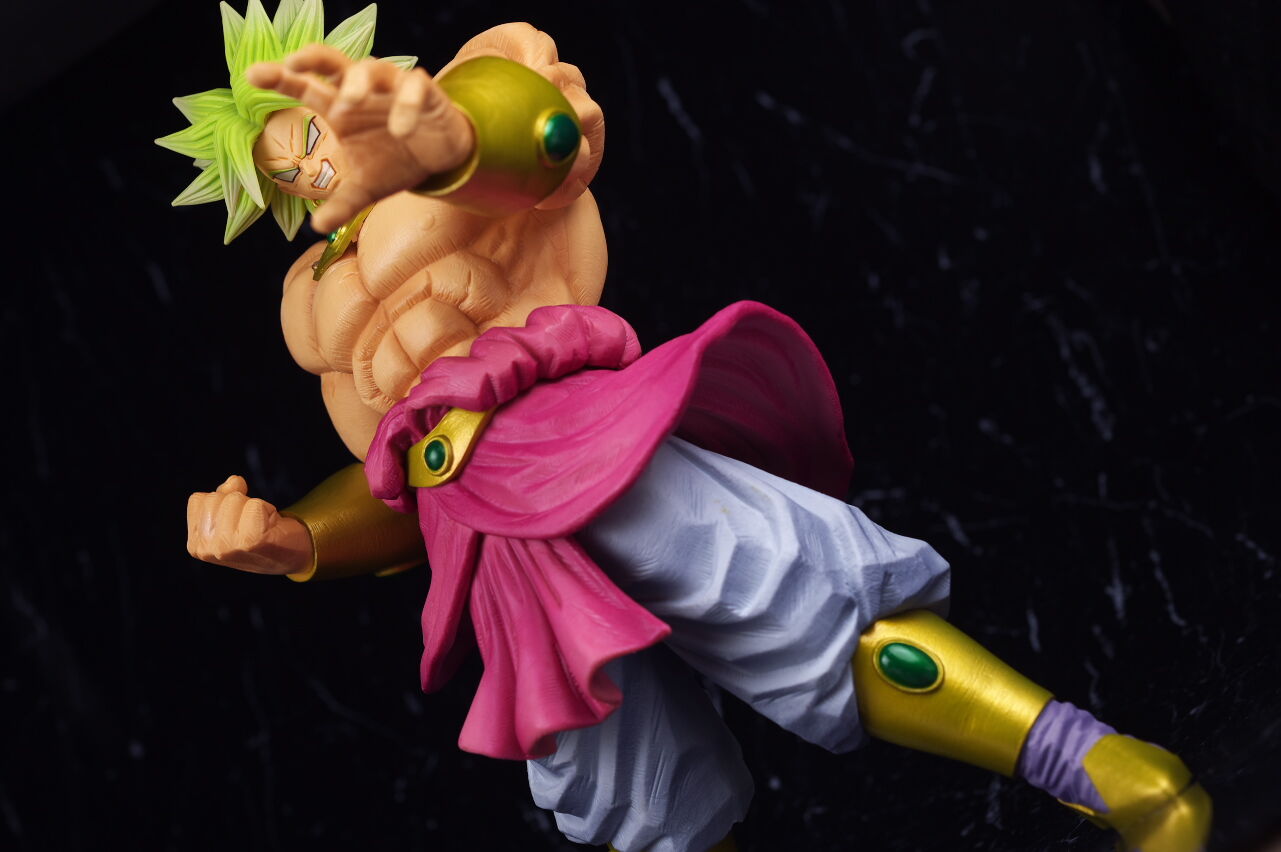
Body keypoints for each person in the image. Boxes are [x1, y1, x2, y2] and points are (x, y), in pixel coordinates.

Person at [163, 3, 1212, 850]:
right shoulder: (316, 305)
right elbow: (399, 469)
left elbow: (547, 140)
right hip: (494, 547)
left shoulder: (445, 162)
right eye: (281, 169)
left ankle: (1102, 767)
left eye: (306, 135)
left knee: (800, 604)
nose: (307, 169)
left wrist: (446, 141)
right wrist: (296, 539)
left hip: (578, 446)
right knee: (628, 788)